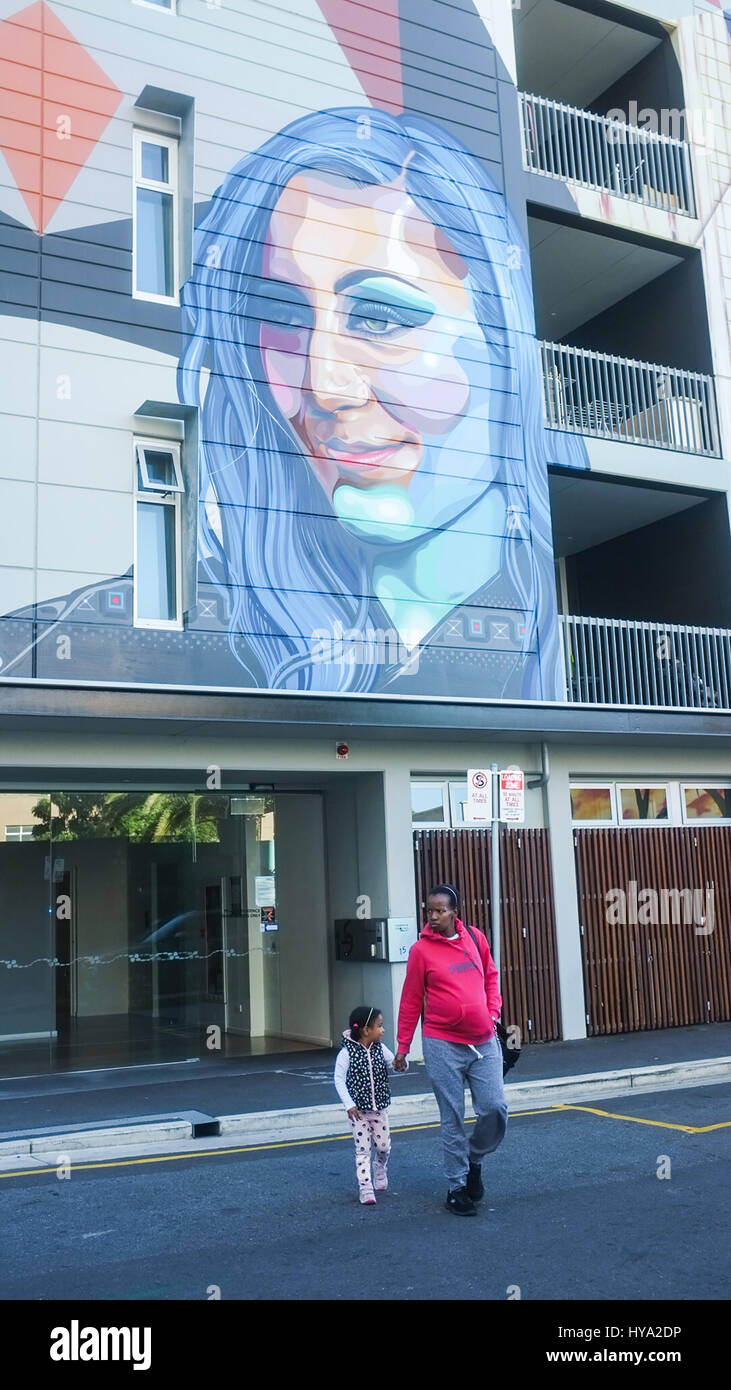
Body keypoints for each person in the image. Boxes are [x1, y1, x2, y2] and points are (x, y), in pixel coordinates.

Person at [393, 883, 507, 1216]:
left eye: (440, 910)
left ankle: (474, 1159)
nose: (433, 916)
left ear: (454, 911)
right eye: (429, 910)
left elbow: (490, 976)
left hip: (483, 1040)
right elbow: (411, 999)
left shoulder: (475, 938)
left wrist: (493, 1012)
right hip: (441, 1042)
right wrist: (402, 1046)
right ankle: (457, 1187)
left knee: (495, 1108)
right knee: (452, 1117)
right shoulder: (421, 951)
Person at [333, 1004, 405, 1205]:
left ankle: (380, 1167)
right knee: (362, 1151)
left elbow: (394, 1063)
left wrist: (400, 1064)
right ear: (366, 1030)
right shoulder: (346, 1053)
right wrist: (349, 1104)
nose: (383, 1030)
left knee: (383, 1147)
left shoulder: (381, 1049)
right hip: (358, 1114)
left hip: (379, 1109)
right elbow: (338, 1079)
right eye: (379, 1026)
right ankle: (365, 1188)